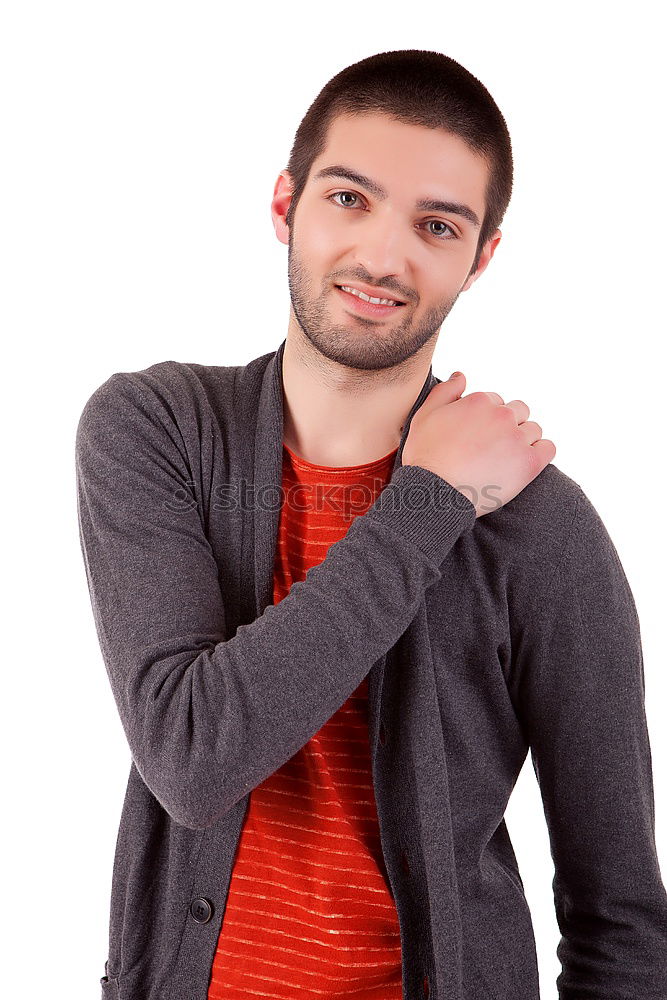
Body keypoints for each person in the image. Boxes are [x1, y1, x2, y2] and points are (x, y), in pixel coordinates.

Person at [75, 49, 667, 1000]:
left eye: (436, 226)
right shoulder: (159, 430)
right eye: (350, 198)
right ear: (285, 205)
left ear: (479, 260)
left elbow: (623, 917)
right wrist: (425, 503)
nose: (385, 257)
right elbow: (191, 756)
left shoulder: (540, 526)